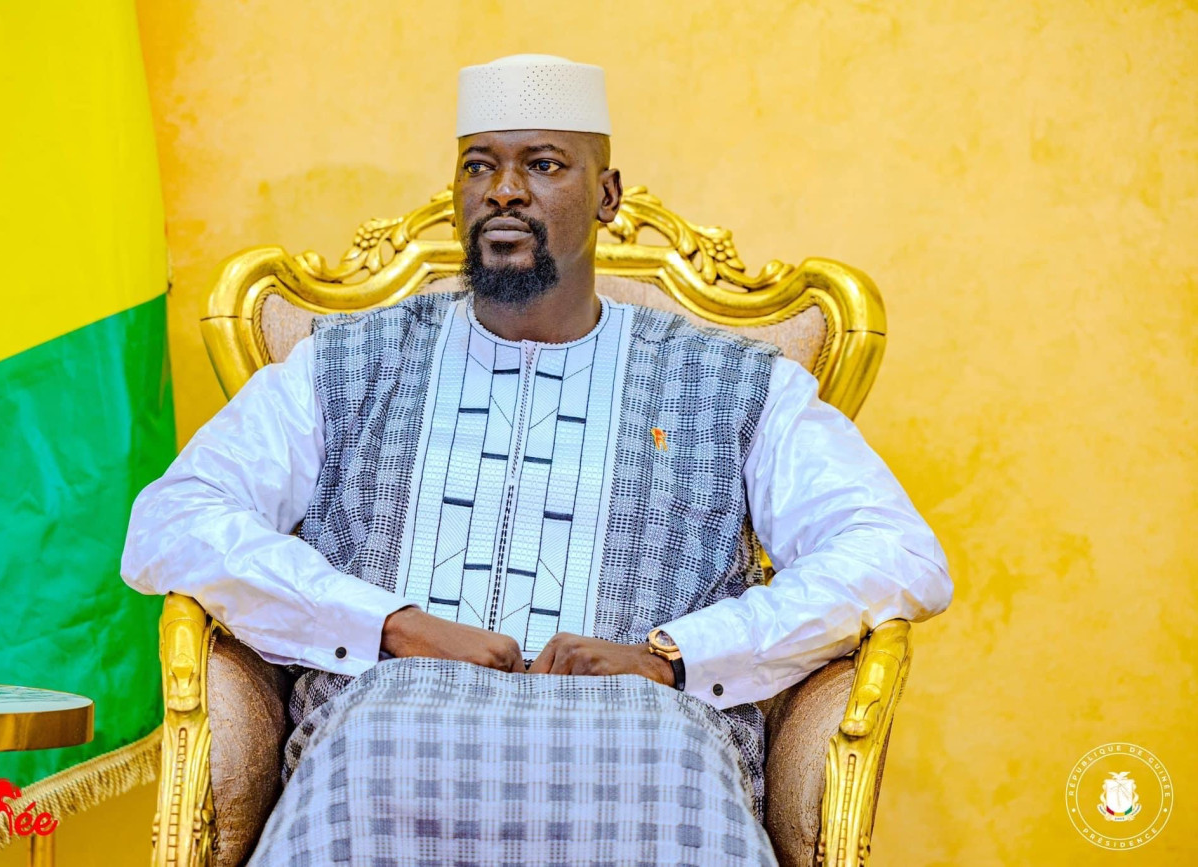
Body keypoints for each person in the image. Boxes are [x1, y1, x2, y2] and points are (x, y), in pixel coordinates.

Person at [122, 54, 952, 866]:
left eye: (544, 164)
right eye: (479, 165)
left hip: (648, 755)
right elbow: (173, 519)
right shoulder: (345, 363)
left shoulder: (730, 382)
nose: (505, 190)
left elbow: (895, 551)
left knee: (665, 767)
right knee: (375, 748)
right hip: (384, 748)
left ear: (607, 195)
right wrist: (387, 625)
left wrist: (673, 658)